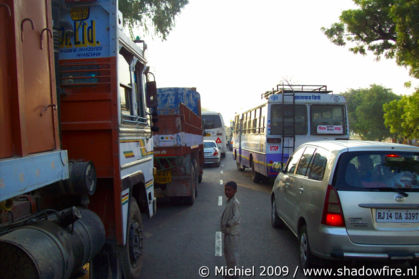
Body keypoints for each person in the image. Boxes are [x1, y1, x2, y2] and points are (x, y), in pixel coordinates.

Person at [220, 181, 240, 278]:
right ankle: (229, 271)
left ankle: (235, 273)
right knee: (227, 253)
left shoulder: (234, 203)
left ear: (235, 191)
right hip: (227, 233)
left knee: (232, 254)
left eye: (229, 190)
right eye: (226, 190)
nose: (227, 192)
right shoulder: (229, 201)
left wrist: (229, 223)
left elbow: (237, 217)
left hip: (232, 233)